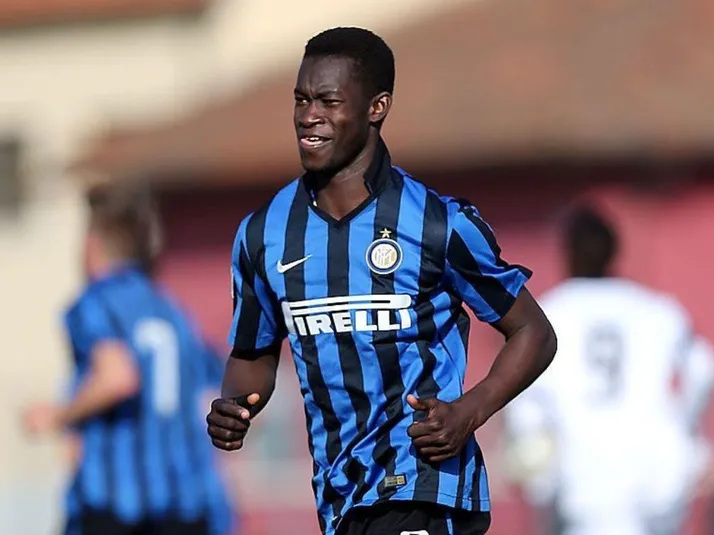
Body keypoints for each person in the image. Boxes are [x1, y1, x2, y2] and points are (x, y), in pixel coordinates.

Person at [206, 26, 557, 535]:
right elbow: (252, 354)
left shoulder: (437, 223)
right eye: (301, 100)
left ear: (377, 108)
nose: (309, 116)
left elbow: (534, 332)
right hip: (339, 497)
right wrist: (235, 408)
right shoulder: (263, 234)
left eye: (329, 101)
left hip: (426, 486)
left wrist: (469, 411)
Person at [23, 185, 234, 535]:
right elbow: (219, 390)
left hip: (115, 506)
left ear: (91, 245)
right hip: (188, 502)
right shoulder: (172, 310)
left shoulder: (97, 302)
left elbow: (117, 376)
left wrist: (59, 416)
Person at [504, 205, 714, 535]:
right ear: (616, 252)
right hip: (655, 479)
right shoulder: (656, 310)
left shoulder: (547, 316)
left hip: (582, 482)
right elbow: (703, 370)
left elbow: (524, 402)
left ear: (569, 253)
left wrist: (538, 473)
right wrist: (682, 431)